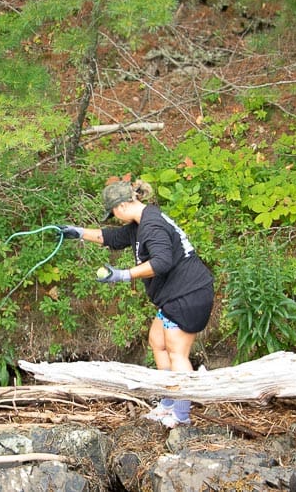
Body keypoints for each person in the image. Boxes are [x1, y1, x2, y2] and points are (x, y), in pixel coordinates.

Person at [58, 179, 214, 428]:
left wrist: (123, 274)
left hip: (190, 294)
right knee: (158, 342)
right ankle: (168, 403)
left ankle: (181, 416)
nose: (115, 218)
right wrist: (78, 232)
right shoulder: (142, 220)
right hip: (177, 294)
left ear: (120, 206)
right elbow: (113, 237)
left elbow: (162, 262)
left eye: (113, 213)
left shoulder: (151, 225)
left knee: (177, 352)